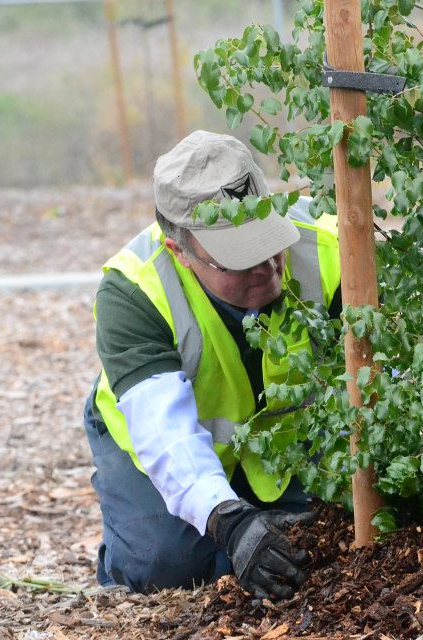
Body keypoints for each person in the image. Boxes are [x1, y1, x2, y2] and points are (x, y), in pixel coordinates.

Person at [83, 130, 342, 599]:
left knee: (341, 532)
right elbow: (167, 436)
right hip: (154, 439)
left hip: (279, 441)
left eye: (268, 239)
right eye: (239, 260)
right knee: (166, 566)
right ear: (178, 249)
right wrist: (231, 520)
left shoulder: (330, 248)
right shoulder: (133, 292)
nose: (266, 266)